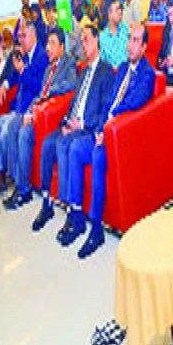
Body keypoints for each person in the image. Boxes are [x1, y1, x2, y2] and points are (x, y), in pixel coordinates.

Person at [67, 23, 156, 258]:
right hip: (104, 131)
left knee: (97, 154)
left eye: (137, 40)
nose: (131, 45)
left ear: (145, 46)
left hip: (120, 136)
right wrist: (99, 128)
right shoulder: (124, 67)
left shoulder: (147, 74)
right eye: (130, 39)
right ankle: (76, 214)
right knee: (76, 148)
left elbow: (134, 103)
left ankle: (96, 229)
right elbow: (108, 102)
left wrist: (109, 126)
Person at [32, 25, 114, 234]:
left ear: (97, 40)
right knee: (49, 142)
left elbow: (104, 107)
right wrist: (67, 121)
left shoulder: (106, 71)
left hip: (87, 128)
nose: (83, 46)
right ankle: (47, 202)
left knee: (68, 144)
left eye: (86, 40)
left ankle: (72, 212)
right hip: (74, 123)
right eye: (81, 41)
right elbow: (74, 102)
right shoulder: (83, 71)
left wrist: (83, 124)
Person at [3, 28, 77, 210]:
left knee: (24, 132)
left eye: (52, 43)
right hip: (37, 110)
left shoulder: (69, 63)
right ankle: (17, 183)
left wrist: (49, 94)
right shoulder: (48, 68)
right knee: (14, 126)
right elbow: (38, 94)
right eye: (47, 43)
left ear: (62, 46)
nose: (48, 48)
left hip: (49, 114)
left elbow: (70, 84)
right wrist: (29, 111)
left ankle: (24, 189)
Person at [0, 22, 49, 196]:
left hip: (28, 111)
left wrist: (23, 71)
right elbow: (14, 75)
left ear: (33, 35)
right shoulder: (26, 55)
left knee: (8, 130)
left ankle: (17, 181)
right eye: (20, 36)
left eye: (23, 36)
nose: (20, 40)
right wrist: (5, 84)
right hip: (17, 108)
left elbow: (39, 87)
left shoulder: (41, 57)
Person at [99, 0, 130, 67]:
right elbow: (103, 63)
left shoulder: (126, 29)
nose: (120, 12)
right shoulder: (103, 37)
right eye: (117, 9)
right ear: (109, 13)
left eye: (120, 9)